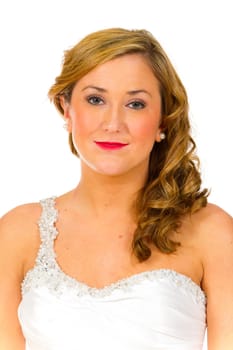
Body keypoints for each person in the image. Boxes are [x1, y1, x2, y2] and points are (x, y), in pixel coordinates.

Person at [0, 27, 232, 350]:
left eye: (135, 104)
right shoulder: (16, 233)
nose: (113, 123)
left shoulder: (213, 232)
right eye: (96, 99)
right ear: (67, 110)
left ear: (163, 120)